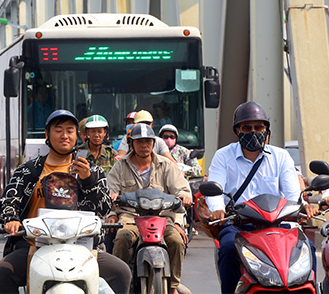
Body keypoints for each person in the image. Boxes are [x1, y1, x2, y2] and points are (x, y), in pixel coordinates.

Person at [0, 110, 131, 294]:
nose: (64, 135)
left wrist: (87, 180)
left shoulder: (92, 171)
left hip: (82, 247)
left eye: (70, 130)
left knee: (121, 272)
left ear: (77, 136)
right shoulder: (29, 170)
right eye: (58, 130)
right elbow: (9, 201)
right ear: (47, 134)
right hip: (36, 246)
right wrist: (11, 219)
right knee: (2, 273)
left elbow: (104, 208)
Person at [205, 101, 319, 294]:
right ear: (238, 131)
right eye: (246, 127)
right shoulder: (223, 156)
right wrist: (217, 208)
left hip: (280, 224)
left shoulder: (281, 157)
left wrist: (302, 206)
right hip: (239, 224)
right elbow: (215, 191)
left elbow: (292, 195)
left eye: (259, 127)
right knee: (228, 249)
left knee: (306, 249)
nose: (253, 131)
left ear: (266, 129)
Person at [106, 123, 192, 294]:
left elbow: (182, 189)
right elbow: (110, 193)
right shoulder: (120, 166)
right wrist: (112, 212)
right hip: (130, 217)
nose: (144, 145)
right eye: (139, 142)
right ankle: (119, 286)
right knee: (122, 238)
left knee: (176, 241)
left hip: (162, 218)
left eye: (148, 141)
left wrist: (184, 198)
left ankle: (173, 286)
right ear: (131, 144)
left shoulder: (166, 165)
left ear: (153, 143)